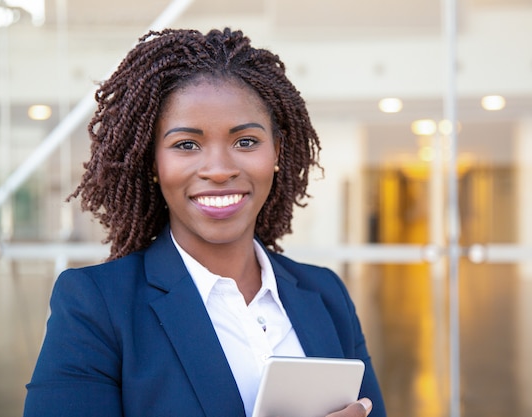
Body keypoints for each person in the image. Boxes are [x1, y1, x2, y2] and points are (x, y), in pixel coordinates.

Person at [23, 28, 386, 417]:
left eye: (246, 141)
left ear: (276, 152)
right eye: (186, 145)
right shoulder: (96, 306)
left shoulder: (326, 294)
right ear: (153, 164)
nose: (218, 170)